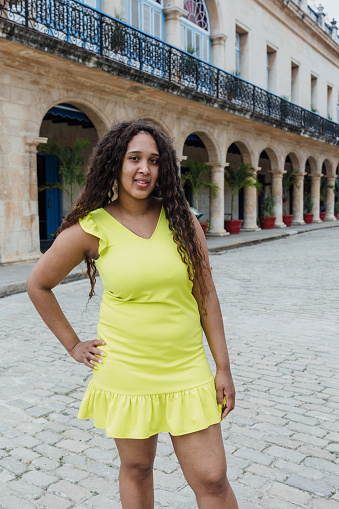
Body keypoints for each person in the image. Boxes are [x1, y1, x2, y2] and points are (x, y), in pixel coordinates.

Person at [27, 119, 238, 509]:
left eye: (154, 161)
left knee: (212, 479)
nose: (144, 169)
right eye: (134, 158)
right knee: (137, 469)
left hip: (185, 366)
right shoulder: (91, 227)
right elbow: (38, 284)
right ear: (115, 163)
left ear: (164, 169)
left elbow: (205, 293)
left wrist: (222, 367)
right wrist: (73, 344)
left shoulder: (181, 220)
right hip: (127, 369)